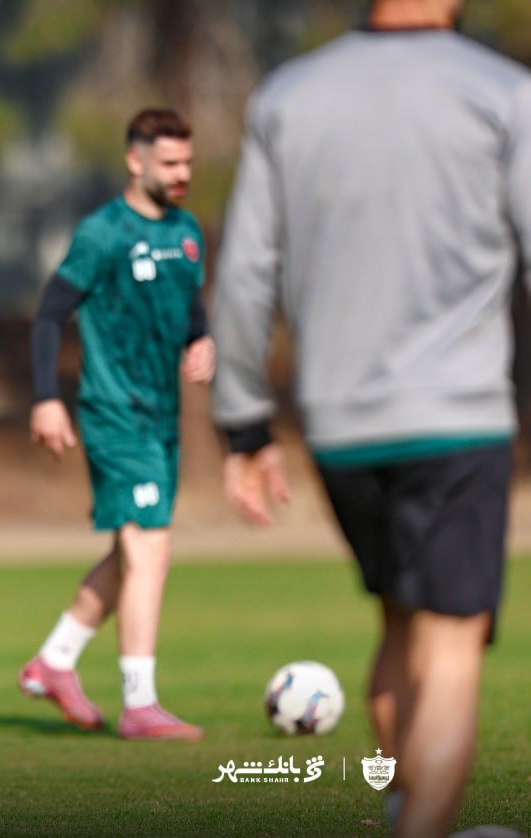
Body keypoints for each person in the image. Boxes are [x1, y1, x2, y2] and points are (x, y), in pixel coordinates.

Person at [212, 1, 531, 835]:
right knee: (451, 643)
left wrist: (244, 425)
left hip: (342, 429)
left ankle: (403, 812)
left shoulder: (289, 94)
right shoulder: (503, 91)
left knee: (398, 622)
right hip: (459, 419)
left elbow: (244, 275)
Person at [18, 108, 214, 740]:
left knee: (133, 550)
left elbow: (190, 305)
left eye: (188, 162)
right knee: (150, 547)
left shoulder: (187, 231)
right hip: (114, 413)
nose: (182, 174)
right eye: (170, 163)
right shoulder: (103, 233)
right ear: (135, 161)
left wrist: (202, 340)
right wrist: (46, 398)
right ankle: (140, 703)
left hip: (163, 417)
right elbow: (50, 315)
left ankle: (55, 661)